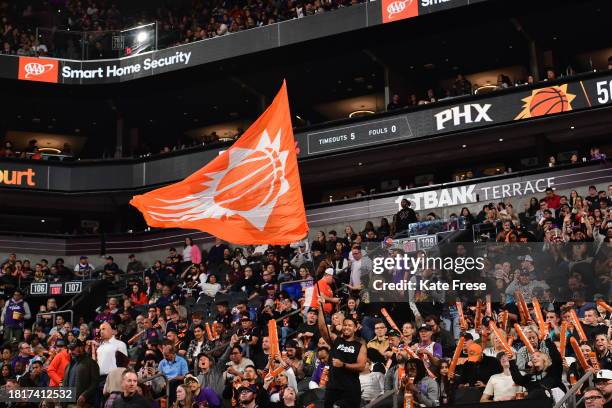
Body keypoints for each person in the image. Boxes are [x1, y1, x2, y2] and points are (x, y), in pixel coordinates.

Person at [318, 300, 367, 408]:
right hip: (333, 387)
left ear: (355, 328)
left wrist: (343, 365)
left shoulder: (360, 344)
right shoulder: (336, 340)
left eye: (350, 325)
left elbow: (361, 366)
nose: (346, 327)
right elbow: (322, 328)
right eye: (344, 325)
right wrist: (320, 308)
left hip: (351, 389)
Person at [508, 336, 565, 400]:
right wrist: (511, 361)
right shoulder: (529, 376)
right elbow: (518, 380)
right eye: (532, 357)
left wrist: (548, 341)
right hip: (534, 403)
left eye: (538, 356)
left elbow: (557, 360)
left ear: (544, 359)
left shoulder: (552, 371)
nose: (534, 358)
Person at [63, 339, 100, 408]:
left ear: (81, 348)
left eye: (73, 349)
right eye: (70, 349)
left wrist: (84, 395)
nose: (71, 351)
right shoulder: (68, 365)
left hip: (84, 404)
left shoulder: (91, 363)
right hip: (67, 403)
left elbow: (95, 383)